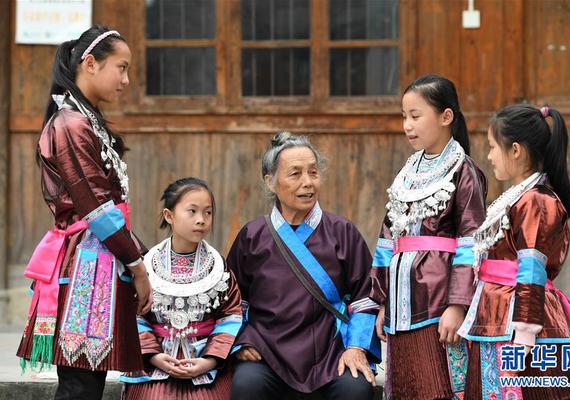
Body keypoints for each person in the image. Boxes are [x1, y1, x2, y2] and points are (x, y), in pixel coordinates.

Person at [16, 26, 152, 400]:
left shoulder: (84, 120)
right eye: (120, 67)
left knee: (86, 385)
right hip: (85, 269)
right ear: (90, 64)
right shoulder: (71, 124)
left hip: (97, 264)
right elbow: (96, 205)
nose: (126, 80)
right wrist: (138, 264)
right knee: (80, 387)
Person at [458, 104, 570, 399]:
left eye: (493, 147)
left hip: (523, 324)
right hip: (497, 313)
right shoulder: (520, 197)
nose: (489, 155)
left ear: (516, 150)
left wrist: (524, 333)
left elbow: (531, 268)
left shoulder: (536, 201)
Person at [227, 132, 380, 400]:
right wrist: (241, 340)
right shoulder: (252, 236)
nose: (307, 183)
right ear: (270, 181)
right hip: (268, 355)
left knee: (356, 389)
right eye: (295, 174)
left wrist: (356, 347)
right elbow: (231, 299)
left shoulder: (343, 232)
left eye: (313, 172)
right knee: (246, 385)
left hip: (330, 354)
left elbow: (365, 298)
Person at [370, 75, 487, 399]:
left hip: (438, 306)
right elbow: (386, 239)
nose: (407, 125)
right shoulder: (407, 174)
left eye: (416, 115)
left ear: (446, 117)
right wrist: (381, 301)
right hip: (399, 306)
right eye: (404, 116)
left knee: (438, 387)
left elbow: (472, 243)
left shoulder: (464, 172)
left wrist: (457, 304)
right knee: (405, 387)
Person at [121, 177, 243, 399]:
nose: (201, 220)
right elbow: (134, 316)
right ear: (169, 216)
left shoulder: (218, 268)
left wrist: (208, 361)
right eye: (192, 211)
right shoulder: (148, 266)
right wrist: (154, 356)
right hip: (154, 364)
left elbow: (231, 316)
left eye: (208, 213)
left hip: (206, 364)